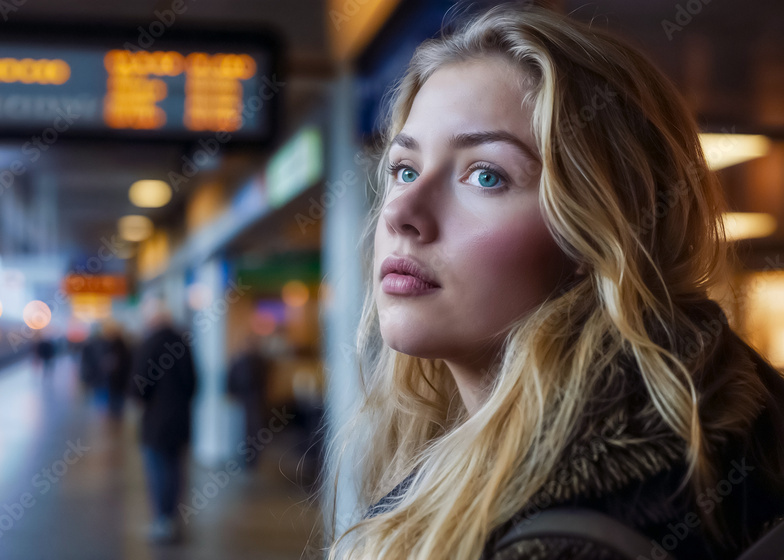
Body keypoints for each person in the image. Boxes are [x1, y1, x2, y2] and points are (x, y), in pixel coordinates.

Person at [324, 5, 784, 560]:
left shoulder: (569, 539)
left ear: (596, 236)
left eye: (486, 175)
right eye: (405, 169)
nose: (403, 213)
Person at [127, 297, 197, 544]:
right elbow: (192, 383)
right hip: (180, 419)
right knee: (175, 468)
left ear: (152, 319)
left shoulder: (148, 344)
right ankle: (171, 518)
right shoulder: (183, 343)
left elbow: (138, 388)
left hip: (155, 421)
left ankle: (161, 520)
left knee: (157, 470)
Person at [226, 334, 270, 468]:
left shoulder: (258, 361)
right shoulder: (241, 362)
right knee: (244, 430)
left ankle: (251, 459)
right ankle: (246, 458)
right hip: (245, 400)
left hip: (253, 400)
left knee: (252, 431)